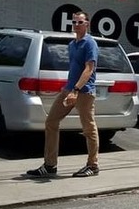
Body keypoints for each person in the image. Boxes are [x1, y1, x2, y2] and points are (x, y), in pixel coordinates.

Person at [26, 11, 100, 178]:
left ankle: (93, 165)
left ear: (87, 24)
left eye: (80, 22)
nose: (76, 25)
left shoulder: (90, 44)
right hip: (69, 90)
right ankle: (50, 165)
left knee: (88, 128)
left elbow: (89, 69)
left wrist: (76, 90)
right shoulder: (72, 45)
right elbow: (74, 68)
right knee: (51, 121)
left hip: (84, 92)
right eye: (74, 22)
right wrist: (69, 88)